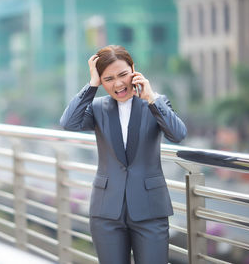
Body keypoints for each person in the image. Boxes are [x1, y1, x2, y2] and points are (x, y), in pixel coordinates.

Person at [60, 45, 187, 264]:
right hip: (106, 212)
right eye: (108, 79)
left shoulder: (155, 103)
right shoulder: (98, 107)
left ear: (134, 70)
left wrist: (151, 97)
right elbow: (68, 122)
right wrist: (92, 85)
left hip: (150, 211)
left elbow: (178, 134)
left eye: (122, 74)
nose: (118, 84)